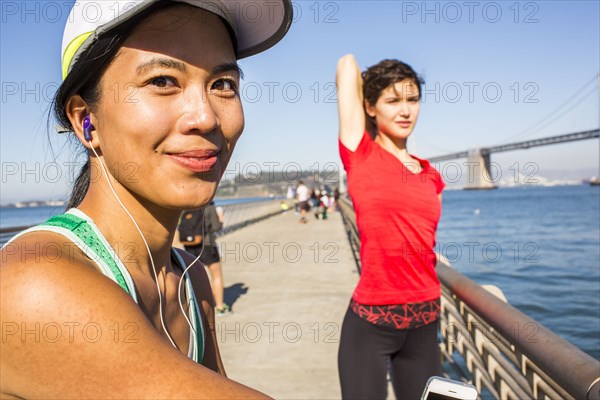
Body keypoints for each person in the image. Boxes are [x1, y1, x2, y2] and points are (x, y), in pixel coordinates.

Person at [0, 1, 292, 397]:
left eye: (223, 84)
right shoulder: (33, 283)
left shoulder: (192, 279)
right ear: (86, 120)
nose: (204, 117)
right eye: (162, 81)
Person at [336, 54, 446, 399]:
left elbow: (423, 240)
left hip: (426, 321)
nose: (405, 110)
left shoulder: (432, 176)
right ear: (370, 106)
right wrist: (371, 82)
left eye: (413, 100)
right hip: (370, 323)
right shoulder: (360, 152)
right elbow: (346, 65)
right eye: (393, 100)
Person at [179, 202, 230, 316]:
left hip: (190, 247)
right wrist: (220, 217)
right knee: (216, 276)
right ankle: (220, 307)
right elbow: (216, 226)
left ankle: (198, 308)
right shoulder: (209, 207)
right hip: (207, 246)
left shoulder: (187, 207)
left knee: (196, 278)